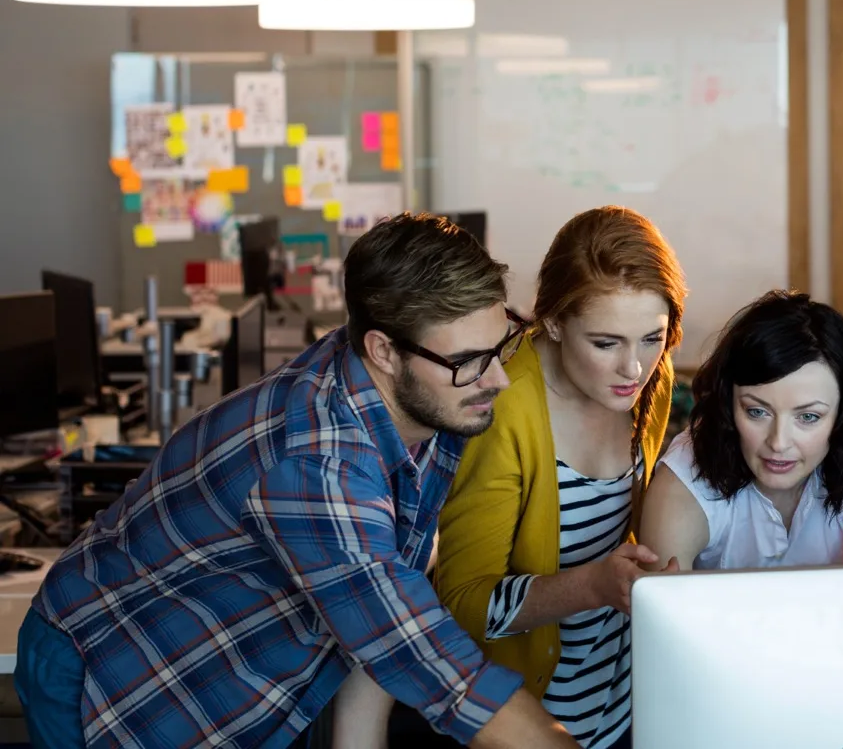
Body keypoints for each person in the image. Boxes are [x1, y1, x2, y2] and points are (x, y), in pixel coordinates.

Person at [16, 213, 578, 749]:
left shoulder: (419, 389)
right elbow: (429, 664)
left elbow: (388, 598)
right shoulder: (317, 463)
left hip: (242, 655)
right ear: (383, 351)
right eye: (471, 360)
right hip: (119, 663)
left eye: (501, 345)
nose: (499, 378)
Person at [434, 206, 685, 749]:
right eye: (605, 343)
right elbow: (463, 604)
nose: (633, 369)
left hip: (625, 702)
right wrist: (592, 585)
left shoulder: (648, 380)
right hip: (533, 721)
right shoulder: (500, 411)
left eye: (653, 336)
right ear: (551, 321)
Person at [640, 290, 843, 570]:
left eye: (808, 416)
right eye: (757, 412)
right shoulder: (682, 482)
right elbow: (665, 609)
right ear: (728, 406)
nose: (778, 443)